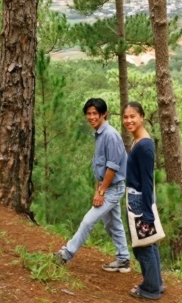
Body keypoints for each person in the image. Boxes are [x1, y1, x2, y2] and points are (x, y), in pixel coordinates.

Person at [54, 98, 131, 273]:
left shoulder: (110, 135)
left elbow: (112, 167)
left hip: (113, 188)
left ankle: (66, 254)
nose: (91, 117)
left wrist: (101, 191)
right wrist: (98, 189)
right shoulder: (99, 134)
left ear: (104, 114)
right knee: (113, 224)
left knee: (88, 221)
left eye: (95, 113)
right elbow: (100, 166)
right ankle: (123, 259)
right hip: (107, 187)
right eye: (88, 113)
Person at [123, 101, 164, 300]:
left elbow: (148, 181)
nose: (129, 120)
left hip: (140, 200)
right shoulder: (138, 141)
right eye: (125, 117)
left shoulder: (145, 145)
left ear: (142, 117)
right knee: (149, 242)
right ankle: (157, 283)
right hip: (138, 197)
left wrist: (147, 211)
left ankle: (150, 289)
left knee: (143, 246)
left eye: (133, 116)